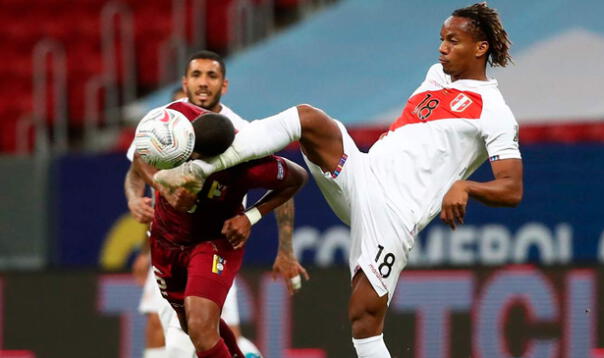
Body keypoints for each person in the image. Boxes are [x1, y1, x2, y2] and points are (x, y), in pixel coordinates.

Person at [155, 3, 523, 357]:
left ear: (481, 48)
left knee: (363, 322)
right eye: (441, 39)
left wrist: (465, 187)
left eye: (453, 41)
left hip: (394, 213)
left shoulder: (495, 113)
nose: (442, 48)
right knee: (308, 118)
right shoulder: (437, 75)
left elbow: (511, 188)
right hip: (363, 172)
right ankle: (199, 169)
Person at [126, 50, 306, 357]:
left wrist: (270, 235)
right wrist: (151, 190)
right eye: (197, 75)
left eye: (212, 76)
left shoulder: (245, 136)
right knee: (187, 329)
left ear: (224, 85)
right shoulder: (170, 120)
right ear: (185, 82)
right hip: (166, 241)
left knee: (198, 331)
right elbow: (140, 161)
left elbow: (289, 180)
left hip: (214, 240)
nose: (203, 83)